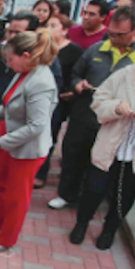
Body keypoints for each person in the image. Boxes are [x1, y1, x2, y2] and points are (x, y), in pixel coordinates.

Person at [49, 6, 135, 210]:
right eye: (111, 33)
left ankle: (92, 201)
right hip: (85, 111)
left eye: (120, 35)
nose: (113, 38)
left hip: (116, 120)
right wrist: (77, 84)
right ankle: (67, 194)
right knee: (73, 153)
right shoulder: (97, 49)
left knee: (102, 163)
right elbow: (76, 74)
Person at [69, 32, 135, 250]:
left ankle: (110, 229)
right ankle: (81, 224)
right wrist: (116, 108)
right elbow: (99, 99)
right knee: (93, 188)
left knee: (124, 195)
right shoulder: (126, 74)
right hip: (110, 145)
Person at [0, 12, 63, 201]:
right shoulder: (2, 52)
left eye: (17, 32)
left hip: (19, 122)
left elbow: (38, 121)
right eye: (9, 31)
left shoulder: (39, 69)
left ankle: (2, 198)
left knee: (13, 182)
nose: (10, 36)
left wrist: (2, 141)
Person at [0, 30, 59, 252]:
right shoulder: (24, 72)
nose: (9, 64)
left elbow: (36, 126)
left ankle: (6, 239)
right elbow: (8, 104)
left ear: (26, 55)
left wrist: (1, 141)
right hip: (15, 145)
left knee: (16, 196)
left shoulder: (41, 82)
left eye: (11, 59)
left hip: (29, 150)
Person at [35, 14, 84, 188]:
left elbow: (76, 73)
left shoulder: (72, 51)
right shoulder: (43, 52)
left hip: (59, 101)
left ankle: (41, 173)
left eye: (54, 25)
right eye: (48, 24)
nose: (49, 28)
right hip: (47, 100)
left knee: (49, 135)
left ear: (64, 30)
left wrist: (70, 90)